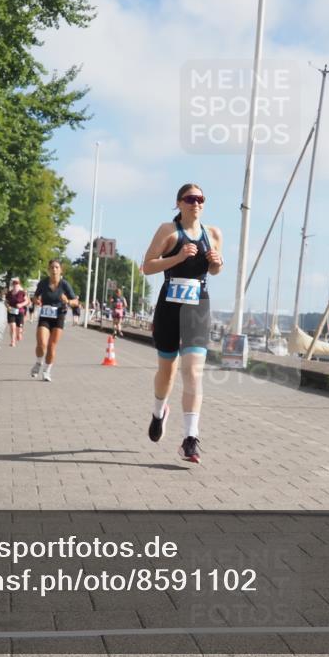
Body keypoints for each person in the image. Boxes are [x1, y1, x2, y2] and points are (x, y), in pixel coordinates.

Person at [141, 183, 222, 464]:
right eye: (190, 198)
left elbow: (214, 269)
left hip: (198, 306)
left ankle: (190, 438)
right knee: (167, 372)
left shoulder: (213, 234)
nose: (196, 203)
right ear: (179, 203)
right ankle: (158, 411)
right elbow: (147, 265)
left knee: (193, 372)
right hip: (169, 307)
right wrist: (177, 256)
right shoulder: (168, 231)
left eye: (200, 198)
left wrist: (217, 262)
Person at [31, 259, 80, 381]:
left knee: (52, 346)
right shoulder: (43, 283)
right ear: (48, 270)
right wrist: (36, 300)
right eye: (52, 267)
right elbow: (35, 297)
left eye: (57, 267)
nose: (54, 270)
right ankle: (38, 362)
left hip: (59, 316)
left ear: (61, 270)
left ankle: (47, 371)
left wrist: (67, 301)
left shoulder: (64, 285)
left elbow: (76, 302)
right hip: (45, 315)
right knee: (42, 343)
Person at [5, 277, 28, 347]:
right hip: (11, 311)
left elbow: (27, 301)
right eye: (14, 283)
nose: (15, 284)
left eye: (16, 283)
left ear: (19, 284)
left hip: (20, 312)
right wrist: (7, 306)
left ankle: (19, 333)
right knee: (12, 327)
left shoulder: (22, 292)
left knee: (18, 328)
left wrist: (21, 304)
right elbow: (6, 301)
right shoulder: (9, 293)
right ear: (12, 284)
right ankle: (12, 341)